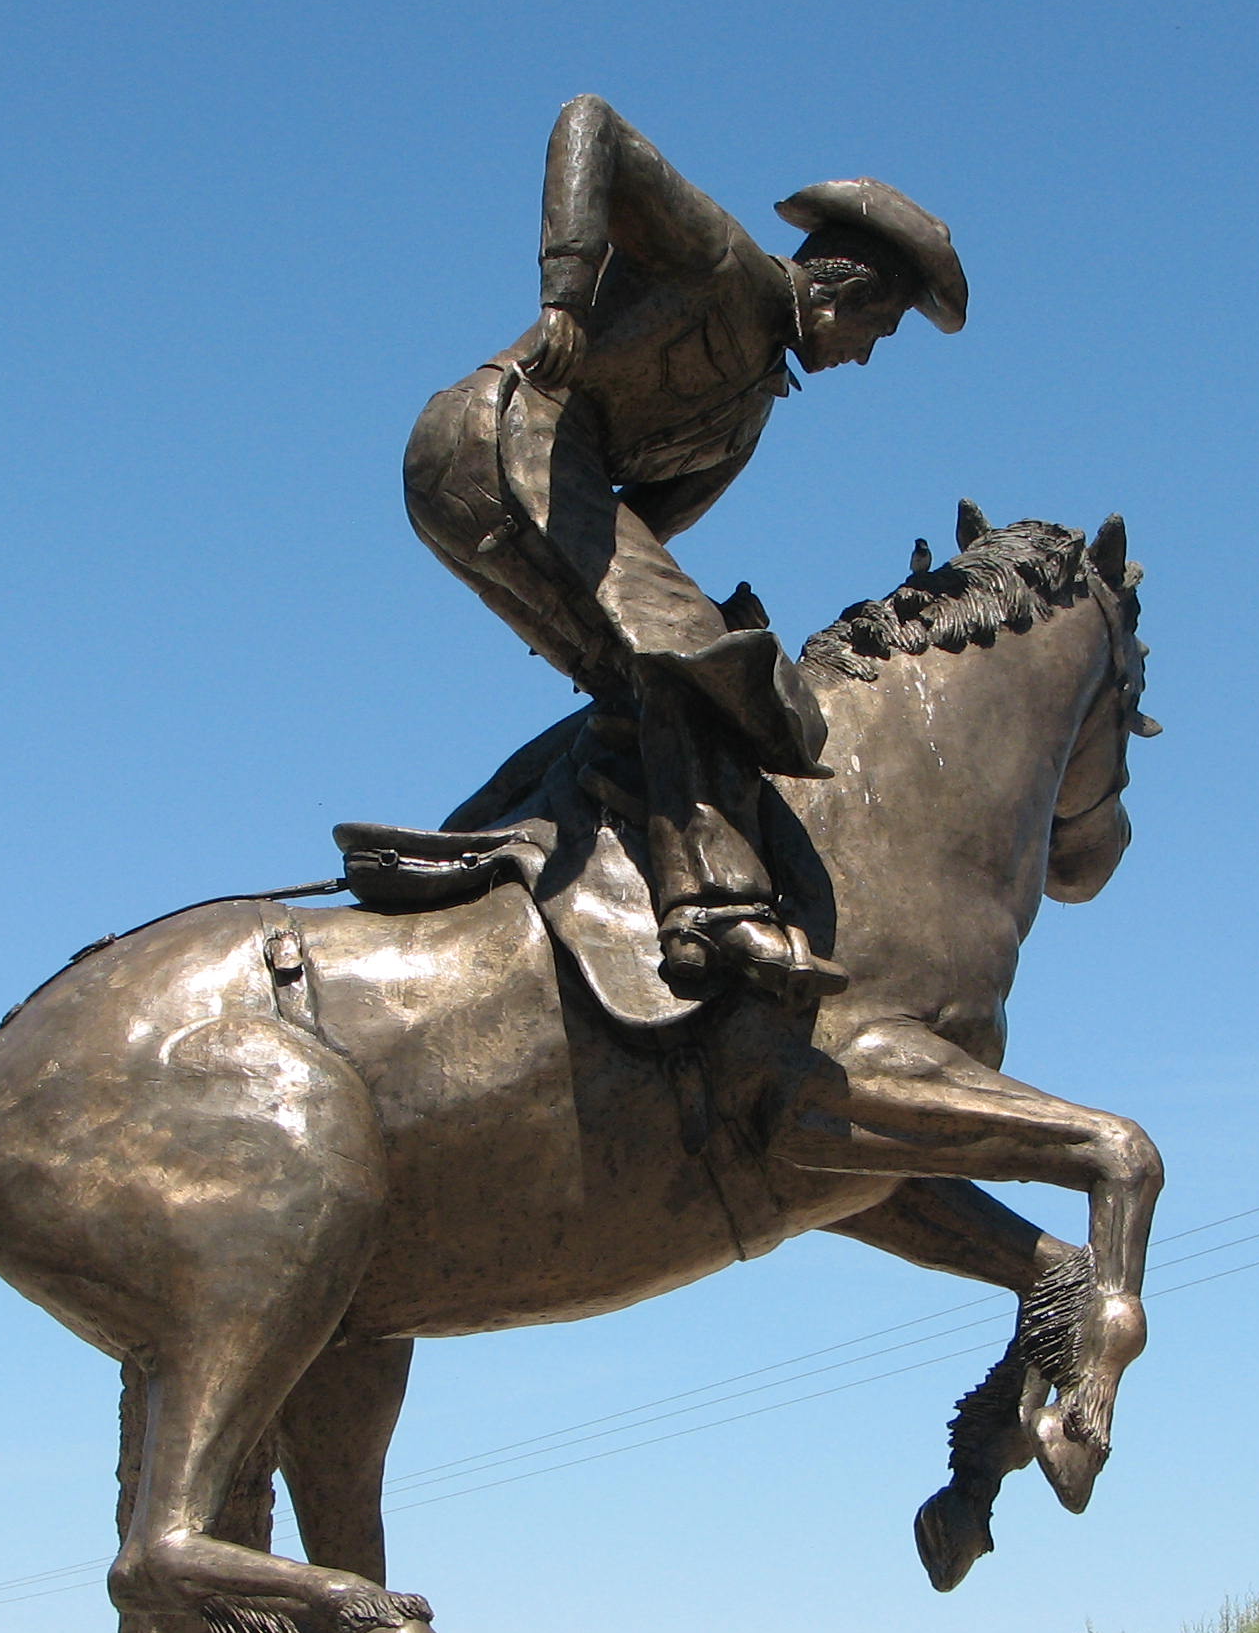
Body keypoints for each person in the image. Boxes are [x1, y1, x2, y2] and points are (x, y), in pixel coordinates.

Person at [404, 94, 966, 998]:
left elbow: (641, 544)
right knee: (703, 664)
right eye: (879, 332)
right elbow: (591, 124)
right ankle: (716, 909)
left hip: (489, 484)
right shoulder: (727, 267)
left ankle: (467, 851)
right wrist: (566, 295)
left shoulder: (745, 420)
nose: (865, 358)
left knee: (647, 679)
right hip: (504, 439)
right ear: (849, 293)